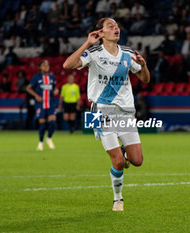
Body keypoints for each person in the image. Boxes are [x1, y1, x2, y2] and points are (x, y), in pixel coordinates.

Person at [63, 17, 150, 211]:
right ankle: (117, 198)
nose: (116, 28)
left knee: (137, 161)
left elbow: (145, 80)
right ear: (100, 33)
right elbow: (67, 65)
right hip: (99, 111)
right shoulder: (93, 52)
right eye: (110, 26)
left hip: (126, 113)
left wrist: (143, 65)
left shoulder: (127, 53)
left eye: (117, 26)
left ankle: (121, 149)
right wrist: (87, 42)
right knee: (118, 161)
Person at [26, 60, 59, 151]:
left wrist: (56, 91)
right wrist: (36, 96)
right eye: (44, 65)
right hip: (41, 104)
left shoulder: (52, 77)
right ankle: (40, 143)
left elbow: (54, 88)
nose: (46, 67)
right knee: (42, 124)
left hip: (51, 103)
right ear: (40, 67)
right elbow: (28, 88)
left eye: (48, 65)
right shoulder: (36, 77)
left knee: (53, 123)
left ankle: (49, 138)